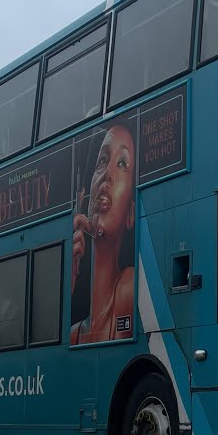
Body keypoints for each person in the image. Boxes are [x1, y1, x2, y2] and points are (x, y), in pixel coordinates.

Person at [70, 122, 137, 345]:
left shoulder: (129, 286)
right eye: (102, 161)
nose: (107, 174)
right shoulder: (74, 333)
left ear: (130, 213)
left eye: (121, 163)